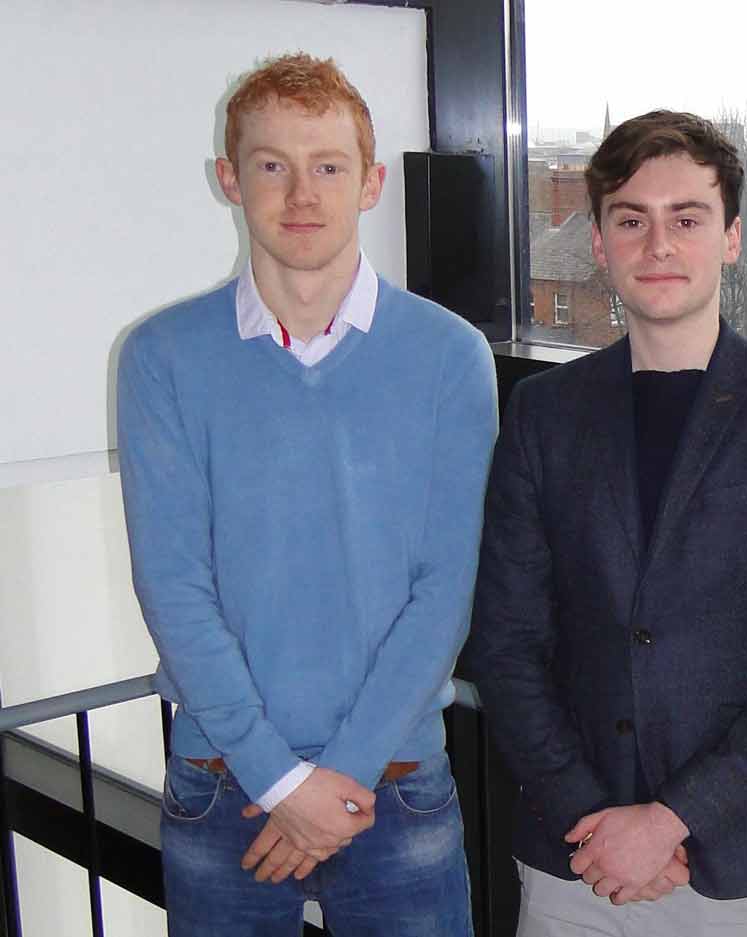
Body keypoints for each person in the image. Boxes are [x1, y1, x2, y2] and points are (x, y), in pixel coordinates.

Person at [464, 110, 747, 935]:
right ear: (600, 243)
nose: (658, 244)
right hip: (575, 857)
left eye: (686, 218)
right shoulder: (543, 414)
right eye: (631, 220)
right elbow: (505, 644)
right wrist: (594, 818)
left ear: (730, 237)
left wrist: (668, 820)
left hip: (738, 860)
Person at [116, 52, 495, 936]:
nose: (301, 194)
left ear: (370, 183)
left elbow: (446, 590)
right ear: (228, 179)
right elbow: (173, 587)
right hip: (224, 783)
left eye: (328, 166)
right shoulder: (162, 358)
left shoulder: (449, 357)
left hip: (395, 784)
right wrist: (284, 782)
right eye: (271, 165)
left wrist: (340, 780)